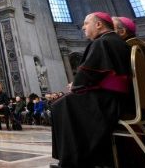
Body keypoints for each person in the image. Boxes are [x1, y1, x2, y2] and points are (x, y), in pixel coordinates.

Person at [51, 12, 132, 168]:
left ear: (99, 24)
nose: (83, 27)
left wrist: (74, 85)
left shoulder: (102, 43)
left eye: (86, 23)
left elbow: (86, 74)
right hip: (120, 98)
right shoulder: (120, 42)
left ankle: (72, 161)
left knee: (60, 105)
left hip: (109, 102)